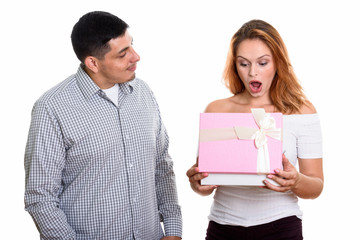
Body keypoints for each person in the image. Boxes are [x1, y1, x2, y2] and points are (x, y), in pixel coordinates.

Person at [24, 11, 182, 240]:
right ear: (93, 63)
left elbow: (161, 165)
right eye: (123, 54)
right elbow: (40, 197)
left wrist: (173, 230)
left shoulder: (144, 93)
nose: (136, 57)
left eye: (132, 46)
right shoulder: (51, 108)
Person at [186, 19, 323, 240]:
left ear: (277, 62)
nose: (252, 73)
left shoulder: (301, 112)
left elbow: (316, 185)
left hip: (281, 227)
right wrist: (198, 184)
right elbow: (205, 182)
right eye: (244, 63)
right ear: (235, 65)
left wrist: (296, 180)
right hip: (223, 227)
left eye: (262, 63)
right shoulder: (216, 110)